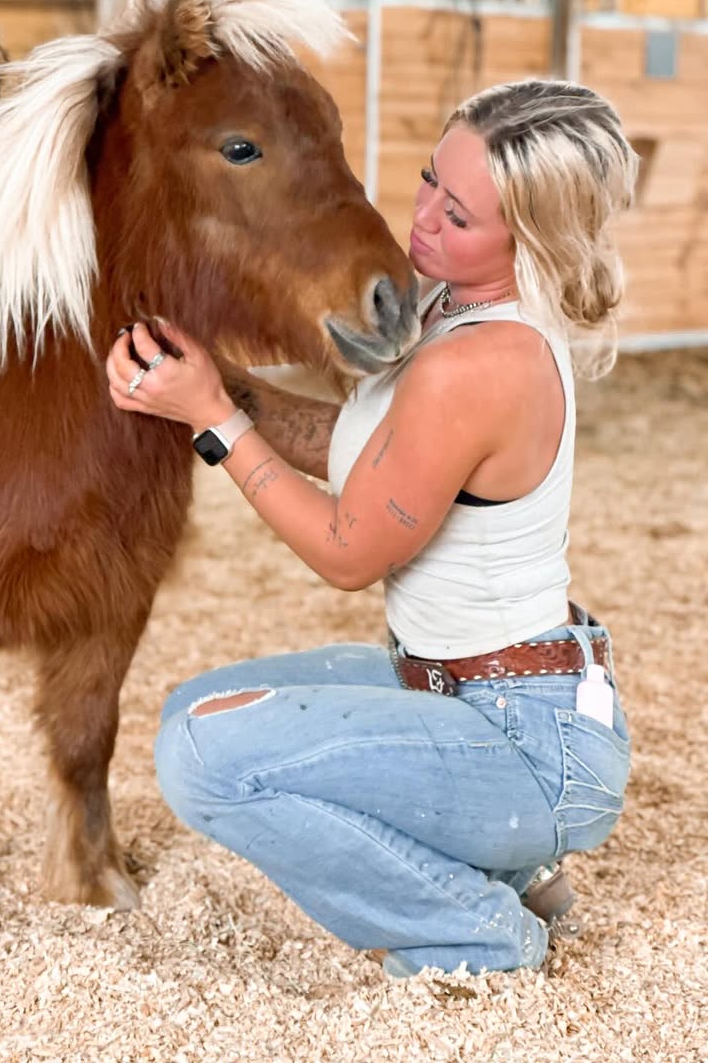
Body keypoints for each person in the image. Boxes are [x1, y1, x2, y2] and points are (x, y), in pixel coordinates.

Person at [105, 79, 638, 978]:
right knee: (190, 709)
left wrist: (214, 421)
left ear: (531, 238)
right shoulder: (443, 304)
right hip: (458, 687)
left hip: (528, 738)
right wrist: (216, 380)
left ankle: (476, 931)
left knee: (200, 758)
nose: (422, 219)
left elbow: (347, 550)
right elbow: (355, 449)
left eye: (458, 215)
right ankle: (513, 867)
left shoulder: (485, 361)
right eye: (430, 179)